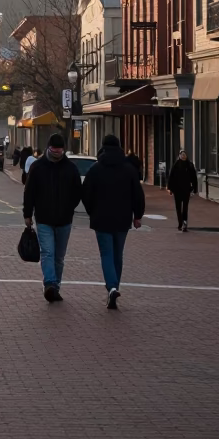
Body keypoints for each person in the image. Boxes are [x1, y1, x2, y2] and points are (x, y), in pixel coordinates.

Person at [82, 132, 145, 310]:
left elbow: (86, 193)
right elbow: (138, 195)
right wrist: (137, 215)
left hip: (101, 219)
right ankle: (115, 285)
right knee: (118, 254)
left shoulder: (95, 169)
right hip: (122, 218)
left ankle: (111, 286)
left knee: (106, 254)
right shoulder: (129, 169)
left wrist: (91, 211)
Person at [23, 133, 83, 303]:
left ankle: (55, 287)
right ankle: (49, 283)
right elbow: (29, 192)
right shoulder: (38, 167)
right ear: (49, 148)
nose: (57, 152)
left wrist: (69, 206)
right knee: (48, 252)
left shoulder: (70, 168)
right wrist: (27, 214)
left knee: (59, 257)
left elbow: (77, 192)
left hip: (64, 219)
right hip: (43, 218)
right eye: (54, 149)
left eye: (59, 149)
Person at [166, 149, 198, 232]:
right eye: (181, 154)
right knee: (178, 207)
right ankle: (180, 222)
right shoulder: (176, 165)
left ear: (186, 156)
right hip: (177, 190)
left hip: (186, 189)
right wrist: (170, 188)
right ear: (179, 156)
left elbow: (194, 177)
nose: (183, 156)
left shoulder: (190, 165)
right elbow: (171, 177)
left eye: (184, 154)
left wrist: (194, 188)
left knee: (185, 207)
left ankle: (184, 223)